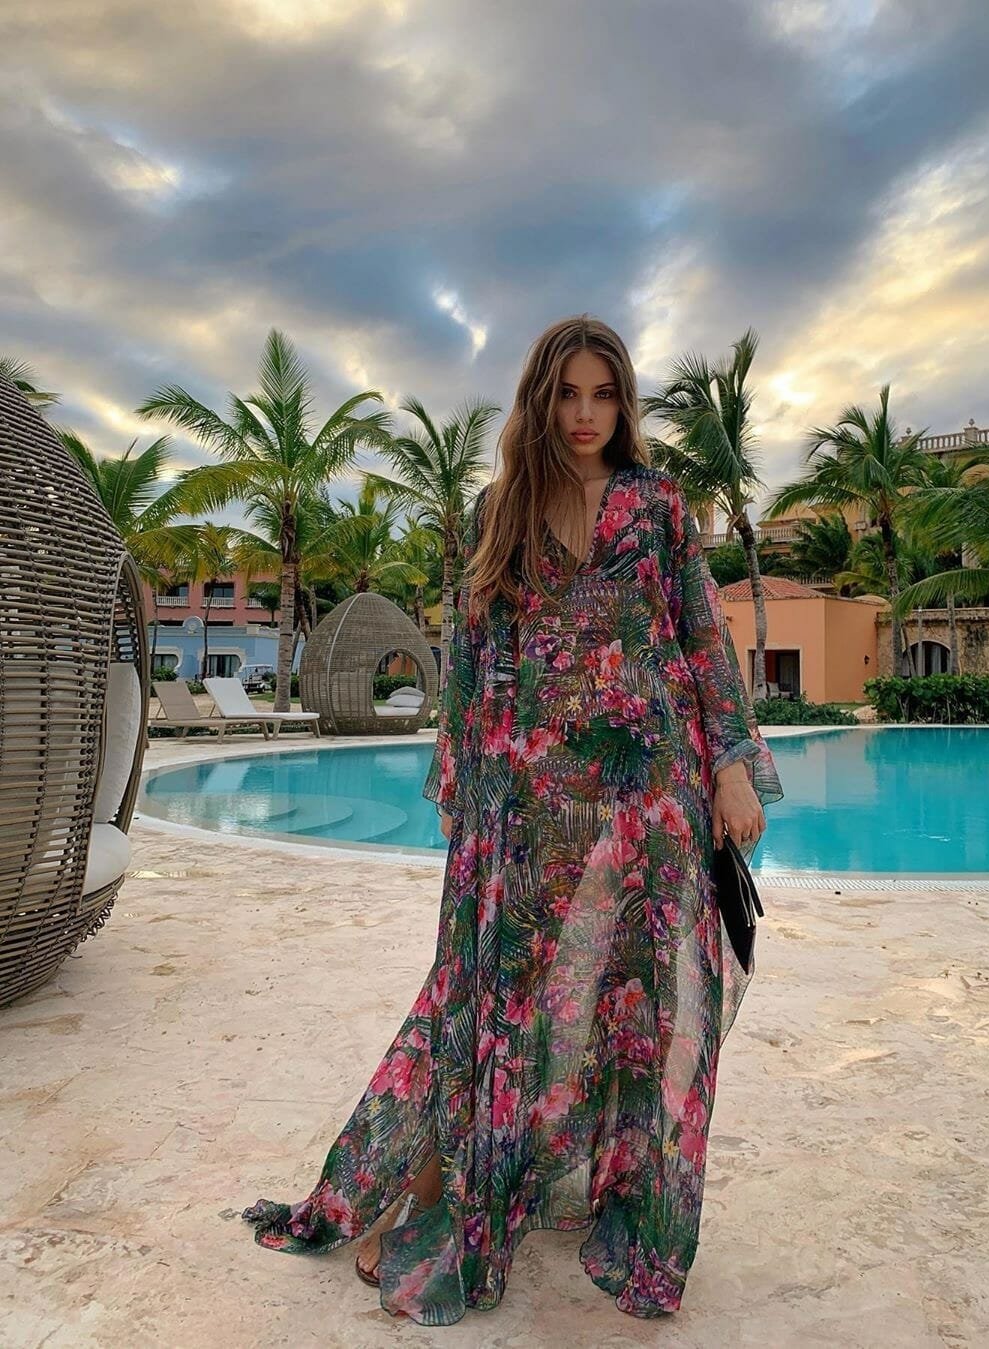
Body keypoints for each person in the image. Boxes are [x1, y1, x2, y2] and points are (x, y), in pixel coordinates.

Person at [242, 315, 784, 1326]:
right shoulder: (506, 508)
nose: (585, 413)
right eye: (568, 392)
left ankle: (622, 1203)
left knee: (642, 1004)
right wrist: (470, 801)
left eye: (603, 394)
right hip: (532, 806)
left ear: (624, 403)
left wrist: (732, 769)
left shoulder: (659, 505)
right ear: (541, 398)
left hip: (649, 800)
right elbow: (475, 656)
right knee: (496, 996)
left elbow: (704, 643)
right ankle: (440, 1195)